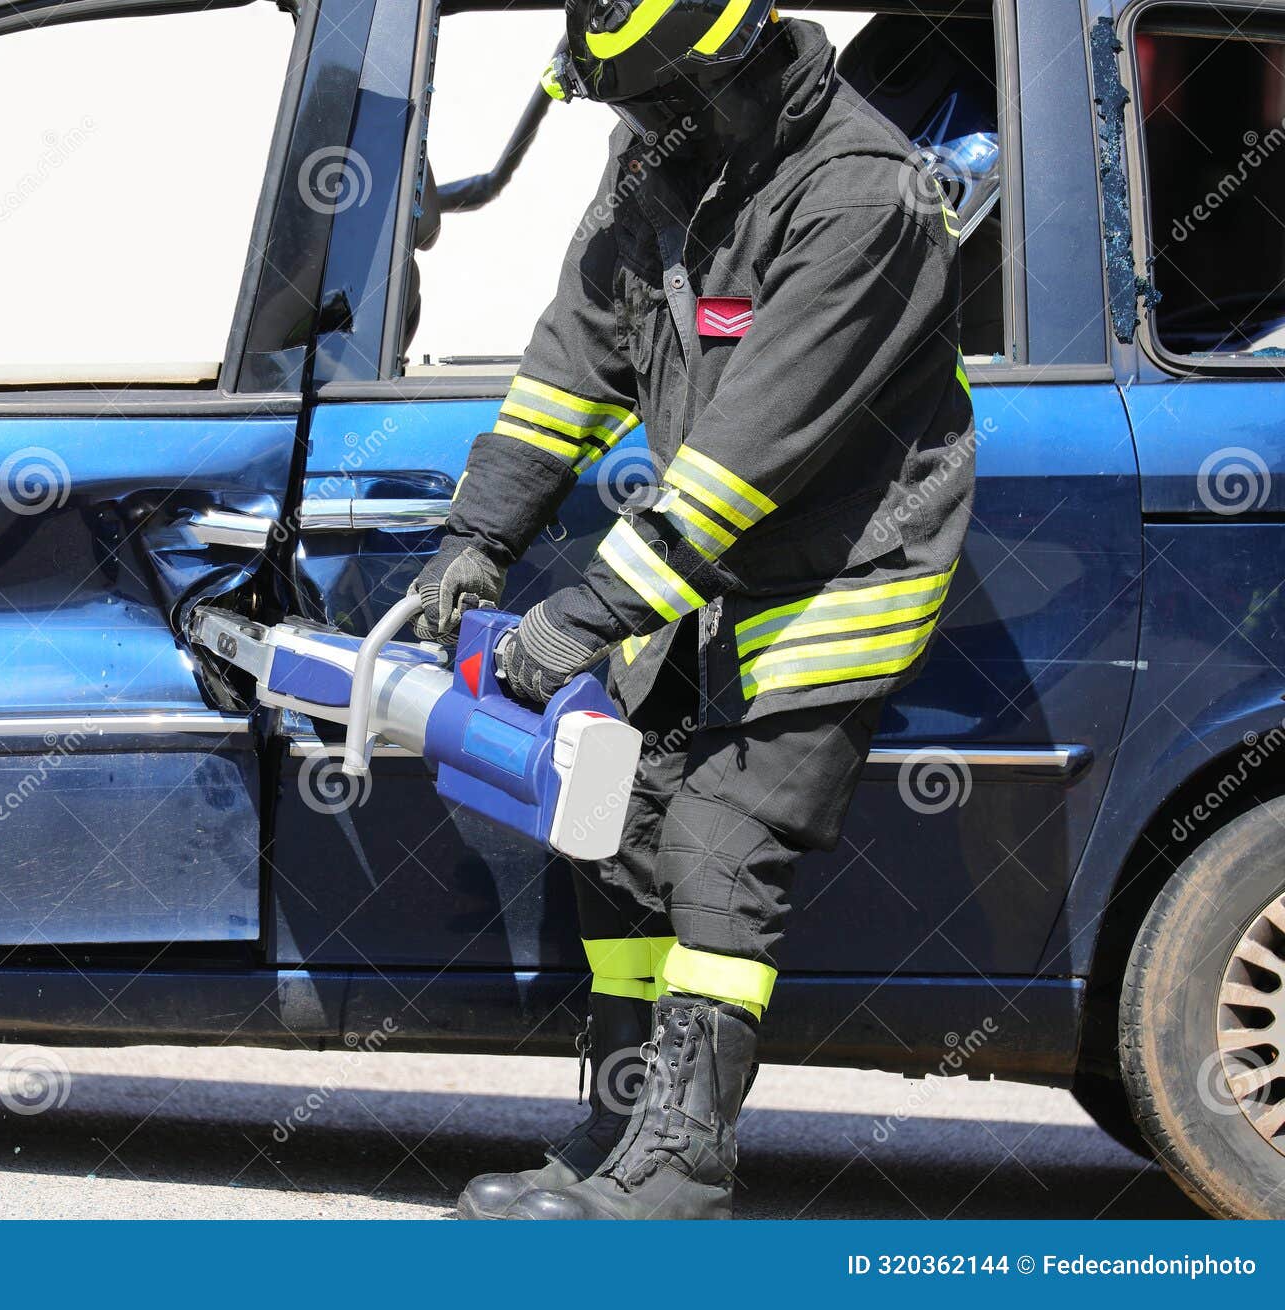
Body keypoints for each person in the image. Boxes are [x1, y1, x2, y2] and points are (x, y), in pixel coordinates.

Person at [410, 1, 974, 1220]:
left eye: (648, 102)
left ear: (723, 66)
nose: (631, 125)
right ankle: (618, 1130)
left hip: (841, 566)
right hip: (701, 562)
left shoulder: (859, 195)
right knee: (608, 813)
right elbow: (573, 359)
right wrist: (477, 536)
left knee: (722, 834)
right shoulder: (670, 143)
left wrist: (587, 611)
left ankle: (682, 1169)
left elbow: (746, 461)